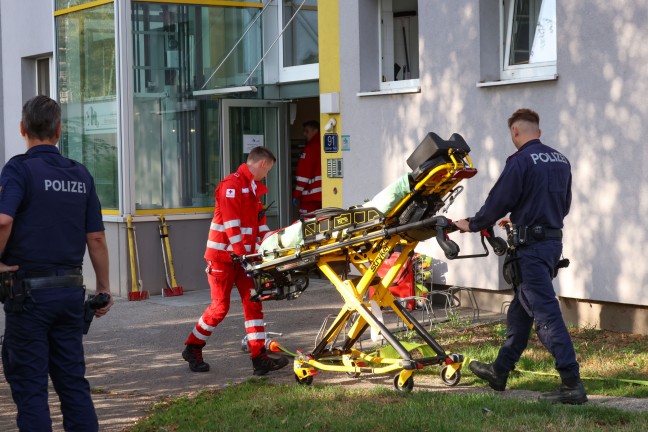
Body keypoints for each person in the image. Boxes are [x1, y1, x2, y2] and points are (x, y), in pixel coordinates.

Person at [454, 108, 587, 405]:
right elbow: (561, 206)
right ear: (537, 131)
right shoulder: (561, 161)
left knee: (545, 316)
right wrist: (524, 221)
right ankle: (499, 371)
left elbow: (500, 199)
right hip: (551, 244)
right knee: (521, 312)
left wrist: (473, 223)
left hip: (531, 250)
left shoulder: (520, 161)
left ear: (515, 132)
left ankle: (572, 384)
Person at [0, 95, 113, 430]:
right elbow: (96, 238)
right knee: (73, 384)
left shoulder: (19, 169)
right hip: (69, 295)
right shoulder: (80, 174)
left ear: (23, 129)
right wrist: (104, 287)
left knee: (31, 389)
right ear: (59, 130)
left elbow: (3, 221)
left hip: (28, 298)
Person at [183, 146, 289, 376]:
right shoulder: (231, 186)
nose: (267, 175)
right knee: (219, 307)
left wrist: (276, 241)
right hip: (223, 257)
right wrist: (243, 254)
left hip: (243, 258)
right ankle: (193, 347)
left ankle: (259, 357)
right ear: (262, 164)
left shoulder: (251, 188)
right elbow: (231, 224)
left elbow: (259, 225)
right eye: (268, 170)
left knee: (253, 303)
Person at [292, 120, 322, 216]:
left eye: (307, 131)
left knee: (306, 223)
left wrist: (296, 194)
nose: (304, 134)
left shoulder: (310, 148)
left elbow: (303, 175)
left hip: (310, 196)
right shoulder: (323, 146)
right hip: (321, 196)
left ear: (315, 131)